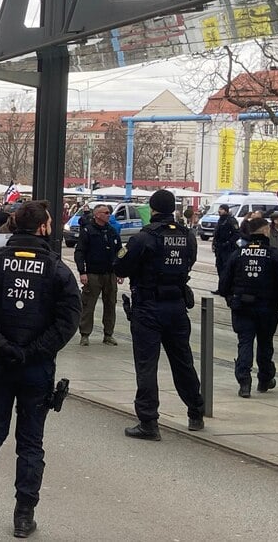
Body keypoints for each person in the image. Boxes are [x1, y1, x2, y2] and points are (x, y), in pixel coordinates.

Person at [0, 200, 80, 538]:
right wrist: (33, 351)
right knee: (30, 442)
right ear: (43, 227)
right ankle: (23, 515)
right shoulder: (57, 270)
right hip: (36, 369)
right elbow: (67, 321)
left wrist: (4, 347)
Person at [115, 189, 205, 440]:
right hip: (176, 306)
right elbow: (189, 263)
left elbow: (121, 265)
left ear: (153, 209)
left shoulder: (145, 237)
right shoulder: (188, 236)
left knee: (147, 365)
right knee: (183, 361)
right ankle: (195, 412)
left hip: (148, 307)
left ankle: (148, 422)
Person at [218, 217, 278, 398]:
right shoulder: (274, 254)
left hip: (242, 306)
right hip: (268, 308)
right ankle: (264, 379)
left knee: (245, 343)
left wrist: (229, 298)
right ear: (265, 231)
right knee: (265, 344)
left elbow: (224, 283)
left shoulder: (238, 254)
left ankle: (244, 383)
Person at [74, 204, 123, 346]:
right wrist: (82, 272)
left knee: (111, 304)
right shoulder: (88, 231)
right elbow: (80, 252)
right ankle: (85, 334)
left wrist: (121, 271)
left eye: (109, 212)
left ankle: (108, 334)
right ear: (97, 215)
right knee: (88, 304)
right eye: (106, 213)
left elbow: (120, 252)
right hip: (93, 273)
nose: (109, 215)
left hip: (110, 273)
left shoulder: (112, 231)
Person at [212, 204, 240, 284]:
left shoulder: (231, 220)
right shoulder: (220, 220)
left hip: (228, 249)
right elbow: (217, 233)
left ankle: (226, 286)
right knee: (219, 267)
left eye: (221, 209)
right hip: (219, 248)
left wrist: (228, 242)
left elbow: (237, 234)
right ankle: (221, 286)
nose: (219, 211)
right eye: (219, 209)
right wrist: (214, 243)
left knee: (226, 267)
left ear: (226, 210)